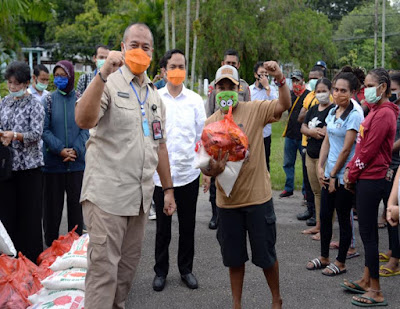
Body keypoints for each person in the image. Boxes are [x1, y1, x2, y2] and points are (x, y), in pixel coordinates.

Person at [75, 23, 176, 309]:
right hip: (107, 198)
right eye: (134, 45)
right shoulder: (108, 82)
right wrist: (102, 74)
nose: (139, 51)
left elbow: (160, 146)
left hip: (140, 201)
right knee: (103, 274)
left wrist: (167, 190)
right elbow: (83, 120)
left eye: (145, 47)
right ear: (122, 48)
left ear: (152, 53)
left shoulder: (155, 96)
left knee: (125, 274)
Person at [203, 62, 291, 309]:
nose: (226, 91)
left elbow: (284, 105)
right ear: (214, 90)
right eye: (221, 86)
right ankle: (237, 304)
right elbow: (204, 164)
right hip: (227, 202)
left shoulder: (255, 110)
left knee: (265, 256)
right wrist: (213, 170)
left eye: (230, 86)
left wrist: (280, 79)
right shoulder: (210, 123)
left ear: (239, 87)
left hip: (257, 198)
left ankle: (276, 299)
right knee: (234, 259)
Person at [343, 68, 398, 307]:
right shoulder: (376, 111)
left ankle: (376, 290)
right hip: (366, 176)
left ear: (383, 87)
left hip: (371, 178)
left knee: (369, 235)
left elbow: (368, 150)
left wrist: (351, 172)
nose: (365, 90)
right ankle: (367, 279)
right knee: (368, 234)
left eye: (369, 85)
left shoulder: (385, 114)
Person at [152, 49, 206, 292]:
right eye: (173, 66)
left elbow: (201, 138)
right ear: (163, 70)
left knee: (188, 226)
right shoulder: (154, 98)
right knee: (163, 228)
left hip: (188, 175)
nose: (178, 71)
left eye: (181, 66)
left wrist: (204, 170)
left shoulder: (195, 100)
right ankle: (160, 271)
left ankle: (186, 269)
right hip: (159, 177)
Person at [305, 71, 362, 278]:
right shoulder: (332, 111)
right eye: (336, 89)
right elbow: (327, 141)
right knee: (325, 216)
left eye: (343, 90)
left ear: (352, 92)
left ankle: (341, 261)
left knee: (344, 218)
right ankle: (324, 257)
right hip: (328, 172)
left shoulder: (354, 114)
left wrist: (334, 175)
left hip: (343, 176)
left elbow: (347, 149)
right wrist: (321, 168)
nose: (338, 94)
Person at [0, 61, 44, 263]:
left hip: (29, 168)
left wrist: (15, 135)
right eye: (10, 83)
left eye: (16, 83)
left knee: (30, 217)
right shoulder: (4, 102)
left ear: (27, 83)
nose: (12, 87)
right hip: (8, 168)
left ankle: (31, 262)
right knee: (8, 215)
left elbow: (36, 133)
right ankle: (11, 261)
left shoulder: (35, 104)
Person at [42, 60, 89, 246]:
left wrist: (75, 150)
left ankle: (74, 247)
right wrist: (60, 150)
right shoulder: (48, 100)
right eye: (57, 76)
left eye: (63, 75)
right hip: (53, 165)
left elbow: (86, 128)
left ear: (71, 76)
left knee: (76, 211)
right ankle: (50, 250)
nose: (60, 79)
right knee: (52, 210)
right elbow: (44, 130)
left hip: (77, 165)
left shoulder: (81, 99)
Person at [205, 48, 251, 230]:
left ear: (238, 66)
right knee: (217, 173)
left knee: (235, 175)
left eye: (233, 63)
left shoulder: (244, 87)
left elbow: (248, 110)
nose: (230, 65)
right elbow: (209, 111)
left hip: (236, 138)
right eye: (227, 63)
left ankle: (239, 210)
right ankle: (216, 214)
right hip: (217, 138)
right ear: (222, 64)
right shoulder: (214, 88)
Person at [300, 78, 334, 237]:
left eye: (324, 91)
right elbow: (302, 127)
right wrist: (312, 132)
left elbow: (326, 132)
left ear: (330, 91)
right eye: (318, 91)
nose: (321, 94)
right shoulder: (313, 109)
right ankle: (319, 225)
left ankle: (326, 228)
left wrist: (311, 131)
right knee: (316, 192)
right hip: (311, 154)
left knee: (326, 192)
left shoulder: (333, 110)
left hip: (325, 157)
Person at [296, 66, 324, 224]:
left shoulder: (329, 99)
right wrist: (312, 111)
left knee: (319, 183)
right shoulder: (309, 96)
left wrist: (310, 116)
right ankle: (311, 210)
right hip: (306, 143)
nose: (312, 81)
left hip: (321, 148)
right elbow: (301, 118)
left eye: (316, 78)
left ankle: (319, 216)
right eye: (310, 78)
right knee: (308, 180)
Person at [379, 72, 400, 277]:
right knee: (388, 208)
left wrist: (385, 148)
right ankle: (393, 250)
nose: (391, 94)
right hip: (388, 163)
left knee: (395, 211)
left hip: (395, 164)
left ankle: (396, 260)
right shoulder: (391, 109)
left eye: (394, 90)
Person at [280, 70, 310, 198]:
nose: (295, 83)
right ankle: (288, 188)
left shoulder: (309, 95)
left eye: (297, 80)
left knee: (305, 165)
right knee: (288, 163)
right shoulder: (290, 95)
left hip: (303, 136)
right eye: (293, 81)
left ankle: (305, 191)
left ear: (303, 80)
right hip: (290, 134)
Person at [249, 61, 278, 172]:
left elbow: (276, 105)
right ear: (256, 75)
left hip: (265, 133)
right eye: (261, 73)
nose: (264, 76)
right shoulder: (250, 90)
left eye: (266, 74)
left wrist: (267, 88)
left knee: (265, 162)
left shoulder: (272, 90)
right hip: (251, 131)